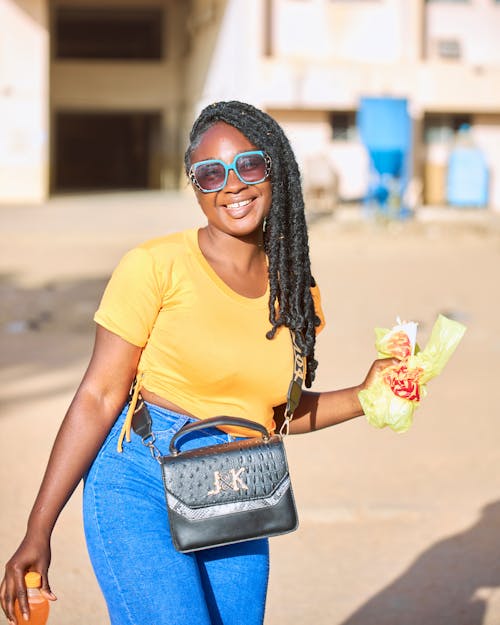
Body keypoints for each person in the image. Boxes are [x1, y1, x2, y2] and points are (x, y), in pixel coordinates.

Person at [0, 101, 396, 625]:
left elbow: (275, 414)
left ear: (274, 168)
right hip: (141, 476)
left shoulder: (299, 294)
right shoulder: (154, 266)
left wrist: (369, 397)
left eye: (248, 165)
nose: (232, 185)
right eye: (211, 173)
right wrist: (38, 529)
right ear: (195, 186)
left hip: (241, 488)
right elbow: (98, 396)